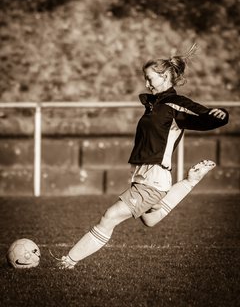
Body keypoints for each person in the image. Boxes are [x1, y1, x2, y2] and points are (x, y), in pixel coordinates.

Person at [57, 45, 229, 269]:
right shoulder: (154, 105)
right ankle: (190, 181)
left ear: (165, 76)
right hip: (141, 175)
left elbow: (204, 115)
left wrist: (219, 115)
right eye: (145, 79)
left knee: (110, 216)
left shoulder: (174, 104)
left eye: (150, 79)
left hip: (155, 177)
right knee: (150, 219)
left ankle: (68, 261)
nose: (146, 84)